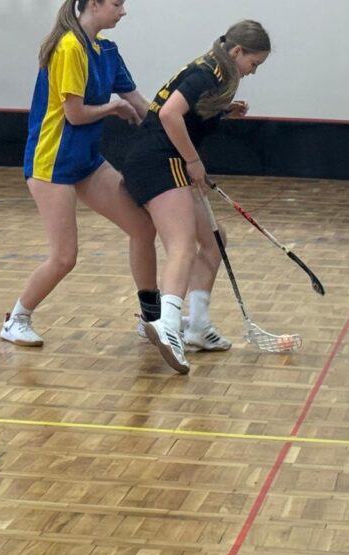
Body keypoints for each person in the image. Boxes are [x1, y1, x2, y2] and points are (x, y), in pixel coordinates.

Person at [0, 0, 159, 347]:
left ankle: (152, 320)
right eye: (117, 3)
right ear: (94, 4)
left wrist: (180, 125)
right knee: (64, 257)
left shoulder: (107, 50)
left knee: (143, 227)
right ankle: (16, 320)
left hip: (87, 161)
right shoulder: (69, 47)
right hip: (52, 163)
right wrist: (113, 107)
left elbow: (139, 102)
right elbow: (75, 114)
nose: (123, 11)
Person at [122, 20, 271, 373]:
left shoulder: (216, 70)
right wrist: (193, 161)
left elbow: (187, 113)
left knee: (214, 241)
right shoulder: (207, 73)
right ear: (237, 51)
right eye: (253, 63)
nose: (253, 71)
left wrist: (222, 111)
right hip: (159, 162)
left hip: (161, 160)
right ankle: (168, 325)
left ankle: (199, 326)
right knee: (183, 246)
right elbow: (169, 113)